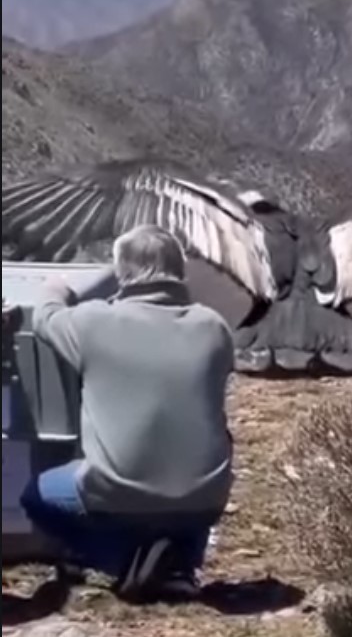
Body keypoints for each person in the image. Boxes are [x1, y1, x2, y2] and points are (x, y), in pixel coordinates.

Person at [19, 225, 235, 602]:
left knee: (35, 496)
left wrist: (56, 287)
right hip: (206, 497)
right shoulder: (214, 327)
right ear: (179, 270)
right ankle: (179, 565)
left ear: (122, 271)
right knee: (186, 468)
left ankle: (121, 563)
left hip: (118, 493)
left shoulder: (93, 322)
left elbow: (44, 318)